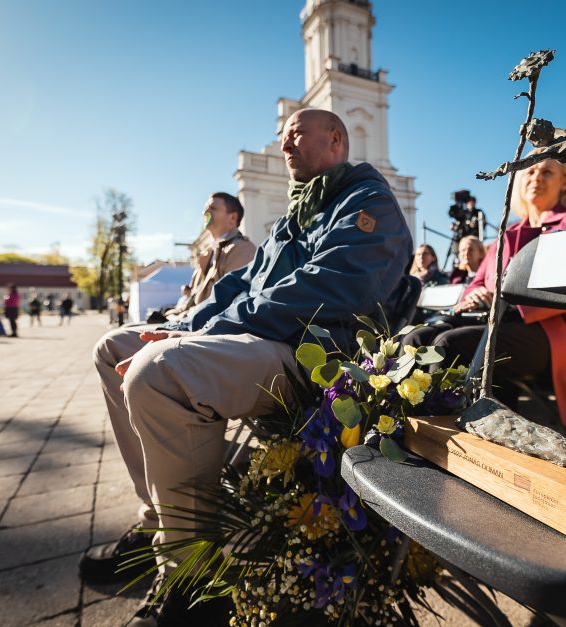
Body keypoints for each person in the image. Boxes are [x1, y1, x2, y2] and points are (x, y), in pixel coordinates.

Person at [82, 108, 412, 625]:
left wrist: (204, 332)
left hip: (319, 357)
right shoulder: (295, 214)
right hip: (268, 341)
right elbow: (239, 287)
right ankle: (162, 520)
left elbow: (329, 290)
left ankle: (192, 571)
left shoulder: (367, 202)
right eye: (282, 137)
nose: (285, 145)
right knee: (114, 348)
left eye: (297, 134)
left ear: (337, 141)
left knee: (158, 372)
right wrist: (185, 322)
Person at [403, 159, 566, 424]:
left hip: (550, 334)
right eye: (530, 171)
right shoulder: (509, 232)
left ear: (564, 182)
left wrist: (508, 303)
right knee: (417, 337)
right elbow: (478, 281)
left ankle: (440, 431)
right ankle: (403, 423)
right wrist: (474, 296)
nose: (536, 177)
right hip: (495, 325)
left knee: (448, 344)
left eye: (547, 172)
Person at [160, 193, 256, 322]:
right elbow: (192, 300)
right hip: (188, 321)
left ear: (232, 218)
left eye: (213, 208)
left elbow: (226, 305)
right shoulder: (207, 253)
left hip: (205, 326)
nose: (206, 211)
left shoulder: (242, 249)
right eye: (205, 208)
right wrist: (169, 313)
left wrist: (180, 318)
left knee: (124, 336)